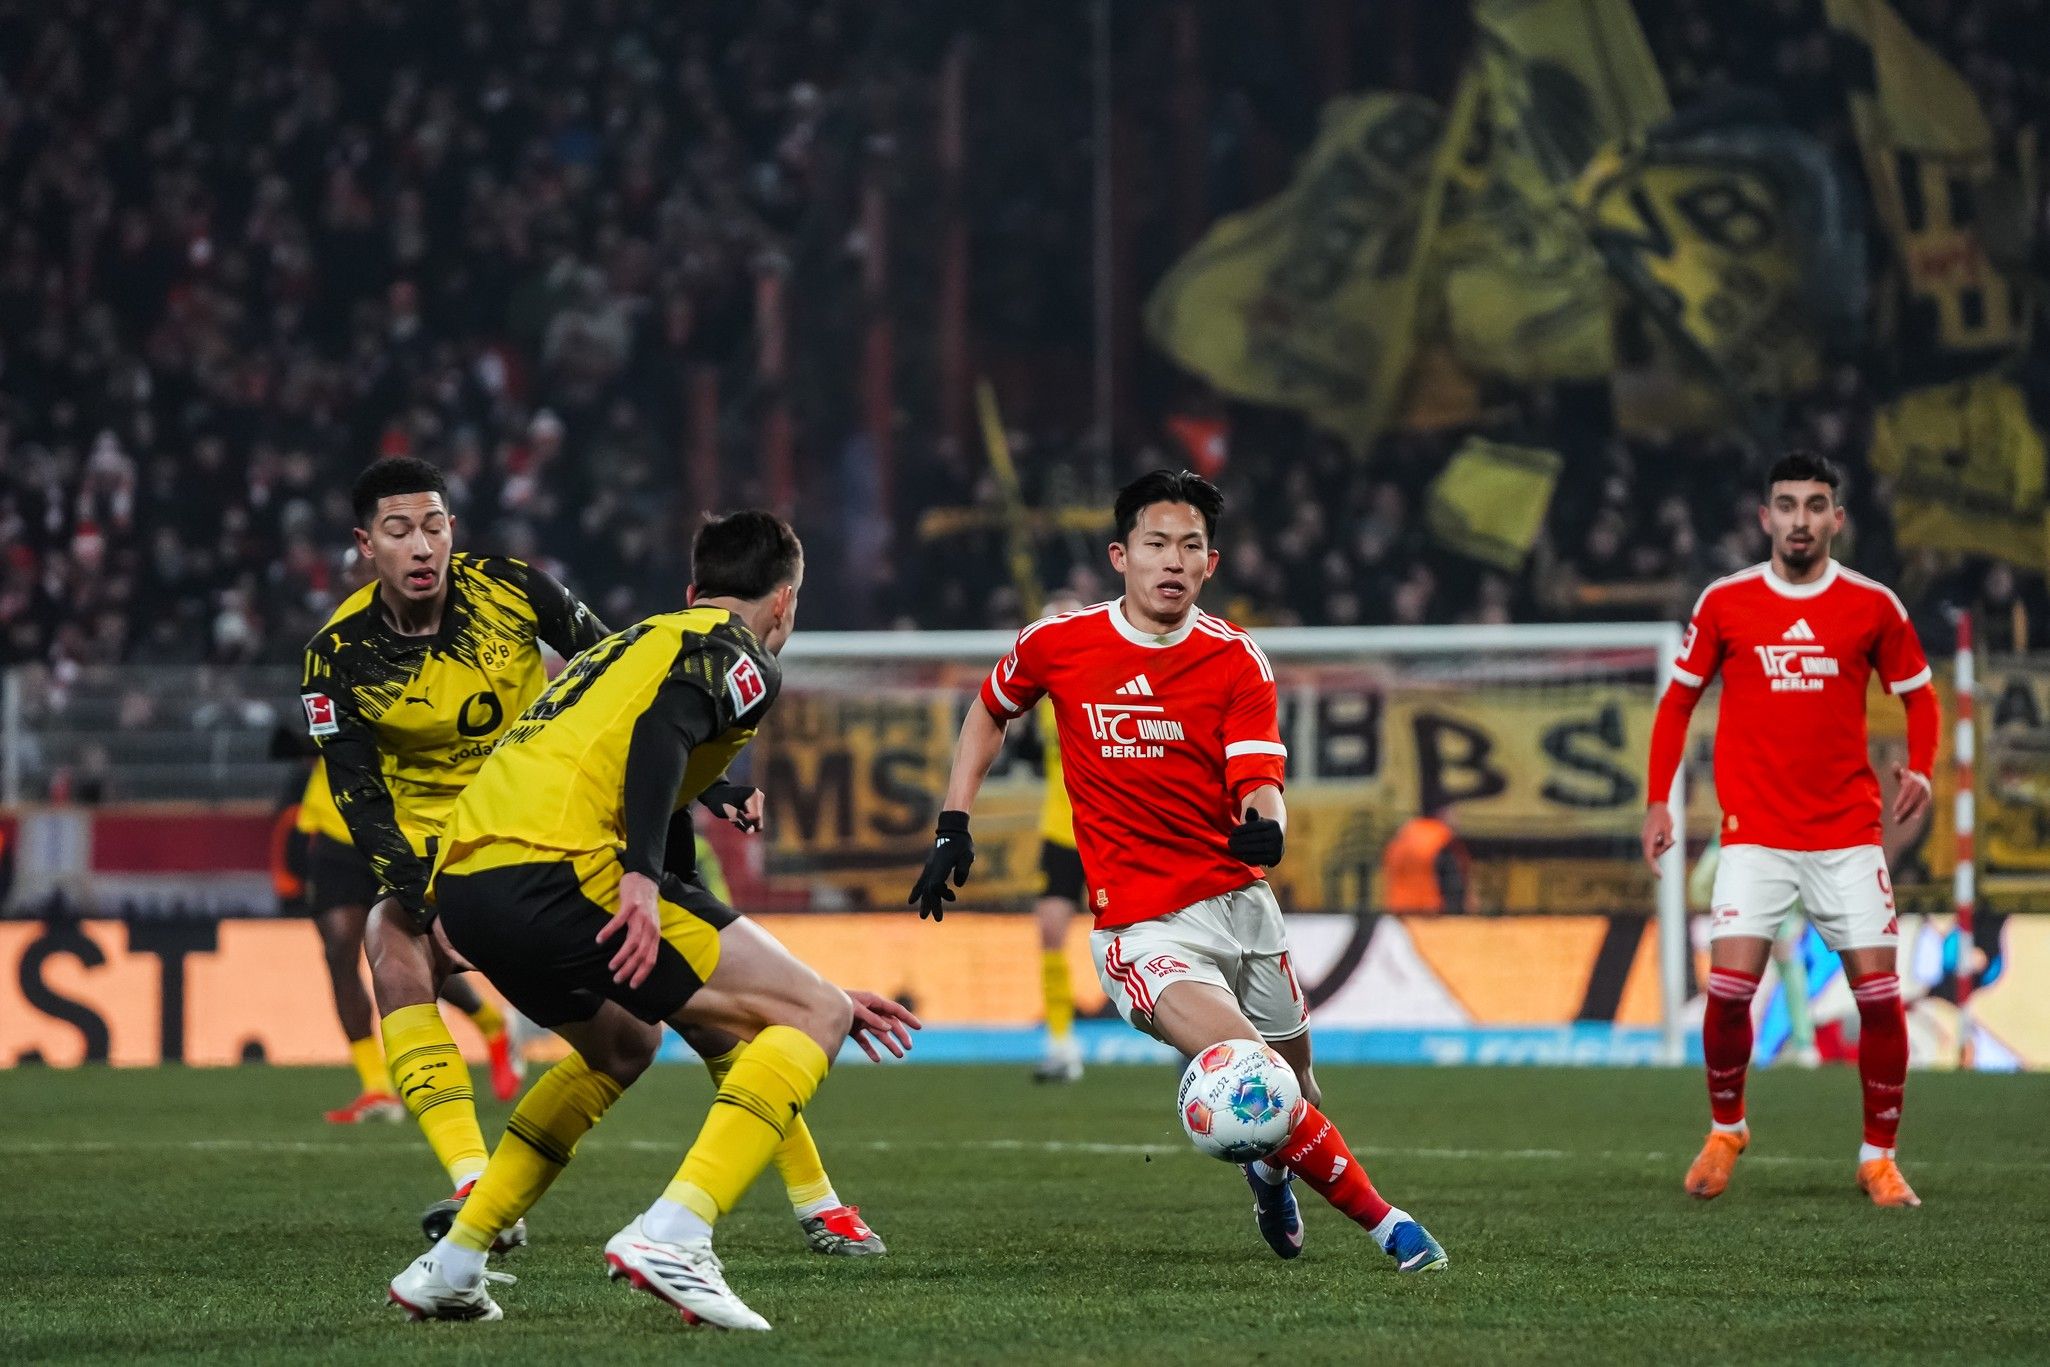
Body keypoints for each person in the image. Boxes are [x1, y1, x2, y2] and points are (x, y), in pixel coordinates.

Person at [305, 460, 879, 1255]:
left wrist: (706, 785)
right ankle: (474, 1182)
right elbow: (360, 797)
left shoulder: (511, 588)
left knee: (687, 1016)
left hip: (562, 821)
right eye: (400, 530)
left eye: (435, 526)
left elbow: (624, 678)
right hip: (449, 852)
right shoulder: (337, 654)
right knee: (390, 942)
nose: (423, 545)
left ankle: (816, 1199)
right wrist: (421, 897)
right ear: (367, 544)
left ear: (452, 530)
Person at [388, 510, 919, 1331]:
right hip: (564, 869)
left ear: (692, 589)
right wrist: (638, 879)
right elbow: (661, 734)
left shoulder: (630, 644)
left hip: (469, 884)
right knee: (815, 1014)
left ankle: (453, 1263)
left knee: (625, 1044)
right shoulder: (738, 653)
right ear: (783, 601)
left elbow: (660, 803)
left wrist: (765, 970)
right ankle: (676, 1234)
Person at [911, 469, 1447, 1271]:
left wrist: (1268, 827)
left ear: (1210, 563)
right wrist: (954, 822)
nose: (1173, 559)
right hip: (1141, 927)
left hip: (1240, 906)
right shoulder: (1056, 643)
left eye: (1189, 546)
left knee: (1298, 1089)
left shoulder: (1235, 658)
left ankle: (1269, 1174)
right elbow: (991, 708)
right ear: (1120, 556)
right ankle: (1393, 1228)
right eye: (1156, 543)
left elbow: (1259, 778)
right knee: (1254, 1073)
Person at [1642, 451, 1938, 1208]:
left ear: (1836, 518)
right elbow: (1676, 703)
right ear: (1765, 517)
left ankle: (1878, 1158)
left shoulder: (1873, 605)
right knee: (1728, 994)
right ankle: (1726, 1129)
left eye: (1814, 505)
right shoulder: (1726, 601)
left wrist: (1924, 768)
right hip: (1754, 837)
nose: (1799, 519)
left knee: (1880, 999)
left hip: (1848, 836)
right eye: (1786, 504)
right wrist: (1658, 801)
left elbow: (1920, 693)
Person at [297, 756, 524, 1121]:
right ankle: (377, 1087)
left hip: (402, 828)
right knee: (339, 949)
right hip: (338, 825)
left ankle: (491, 1024)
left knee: (416, 952)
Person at [1030, 590, 1087, 1083]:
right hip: (1059, 829)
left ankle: (1185, 1039)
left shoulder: (1109, 681)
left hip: (1110, 827)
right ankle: (1061, 1043)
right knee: (1050, 931)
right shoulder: (1041, 695)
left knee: (1141, 935)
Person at [1379, 803, 1471, 915]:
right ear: (1443, 814)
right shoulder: (1443, 839)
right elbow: (1453, 886)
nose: (1458, 820)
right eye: (1455, 813)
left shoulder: (1402, 836)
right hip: (1430, 914)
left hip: (1398, 913)